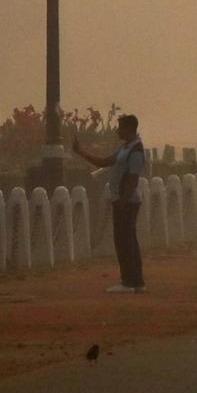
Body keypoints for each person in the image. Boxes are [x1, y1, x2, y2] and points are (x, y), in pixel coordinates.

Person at [72, 113, 148, 294]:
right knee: (128, 240)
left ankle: (128, 282)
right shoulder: (126, 148)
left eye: (120, 127)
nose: (117, 130)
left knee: (124, 241)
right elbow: (105, 162)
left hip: (126, 201)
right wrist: (81, 151)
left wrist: (124, 199)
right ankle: (136, 281)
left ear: (129, 129)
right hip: (122, 199)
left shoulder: (136, 150)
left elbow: (133, 178)